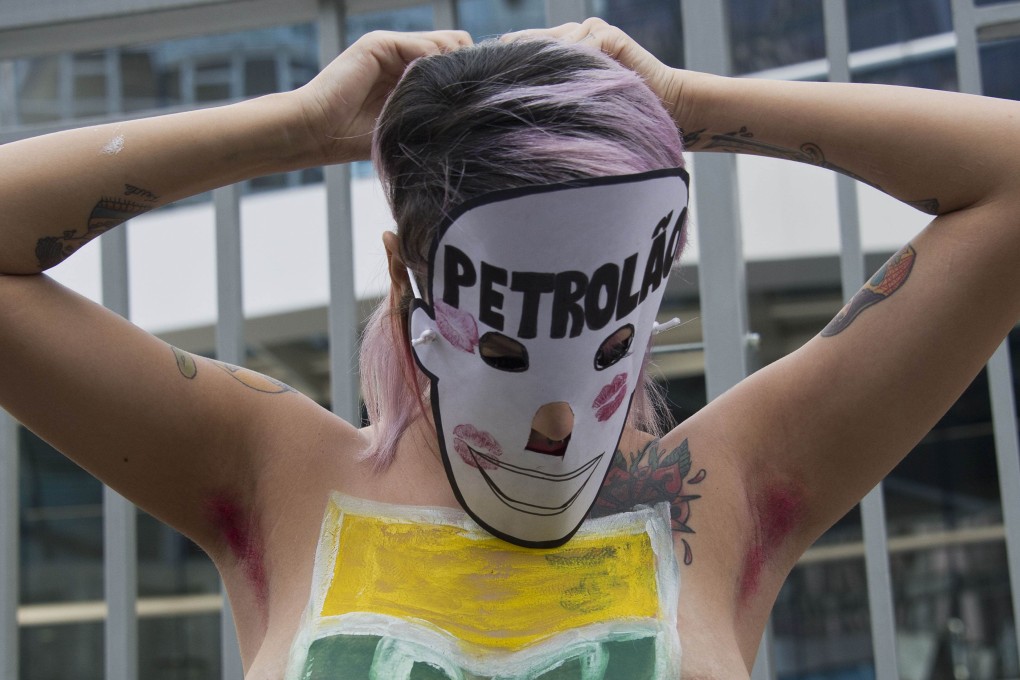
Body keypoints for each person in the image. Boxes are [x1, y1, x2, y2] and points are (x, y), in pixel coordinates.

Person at [1, 17, 1018, 680]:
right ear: (409, 280)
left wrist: (690, 107)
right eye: (505, 341)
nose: (558, 421)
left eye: (609, 332)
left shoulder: (726, 489)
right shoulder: (274, 470)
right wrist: (304, 126)